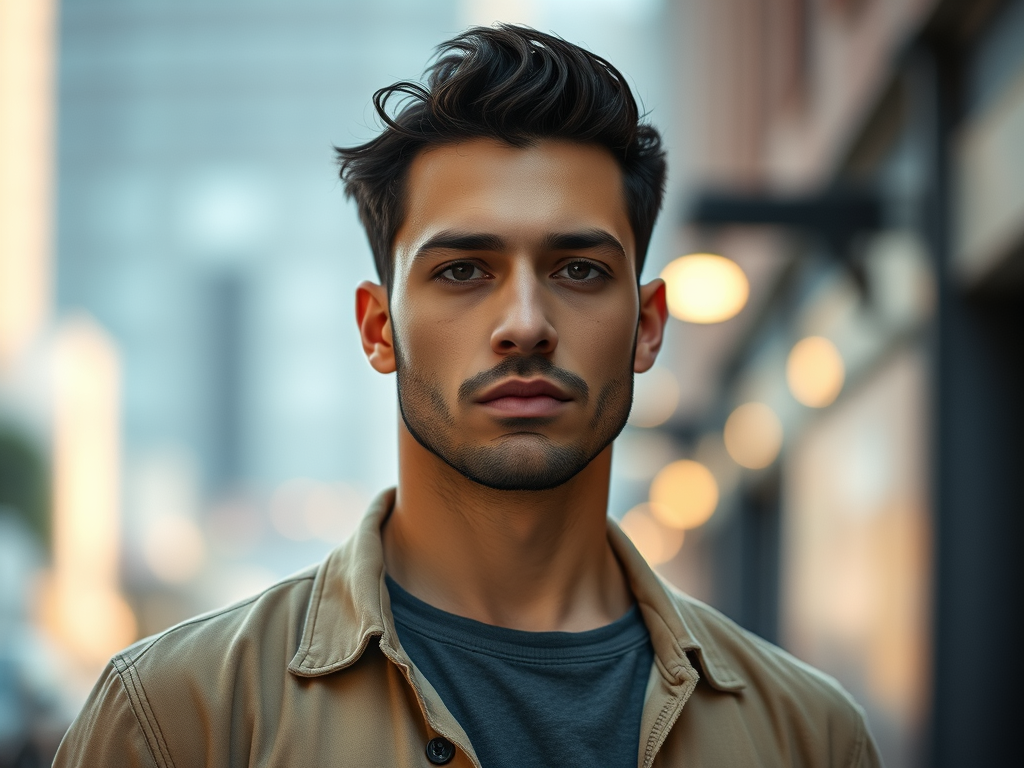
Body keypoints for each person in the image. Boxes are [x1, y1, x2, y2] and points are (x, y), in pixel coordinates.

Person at [54, 25, 881, 768]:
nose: (525, 325)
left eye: (579, 270)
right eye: (462, 271)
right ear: (379, 330)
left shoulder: (809, 738)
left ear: (647, 327)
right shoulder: (178, 719)